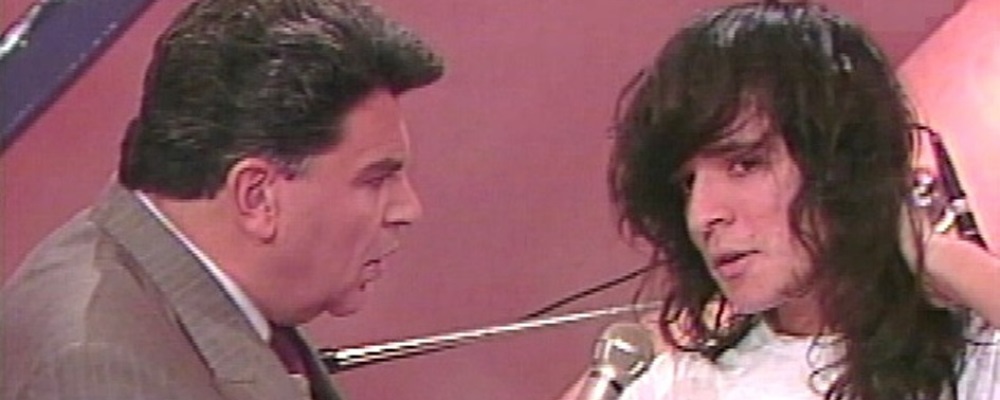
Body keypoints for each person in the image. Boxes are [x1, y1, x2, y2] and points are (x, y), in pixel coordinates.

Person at [1, 0, 442, 399]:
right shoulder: (104, 369)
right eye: (376, 180)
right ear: (257, 197)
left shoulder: (179, 286)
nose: (408, 209)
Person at [598, 2, 1000, 399]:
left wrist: (939, 255)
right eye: (688, 184)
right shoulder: (679, 387)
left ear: (841, 164)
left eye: (745, 165)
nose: (702, 215)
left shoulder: (971, 357)